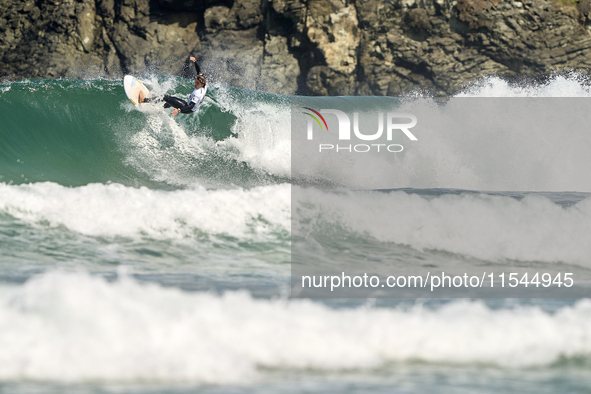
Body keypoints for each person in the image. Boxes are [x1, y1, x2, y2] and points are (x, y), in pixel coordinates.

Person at [139, 56, 207, 116]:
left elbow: (190, 106)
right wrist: (195, 62)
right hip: (192, 108)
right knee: (170, 102)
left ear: (202, 84)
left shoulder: (197, 93)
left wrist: (179, 110)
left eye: (197, 83)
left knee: (165, 97)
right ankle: (157, 109)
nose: (195, 84)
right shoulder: (204, 84)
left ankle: (143, 100)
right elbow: (199, 72)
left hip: (187, 108)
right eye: (195, 82)